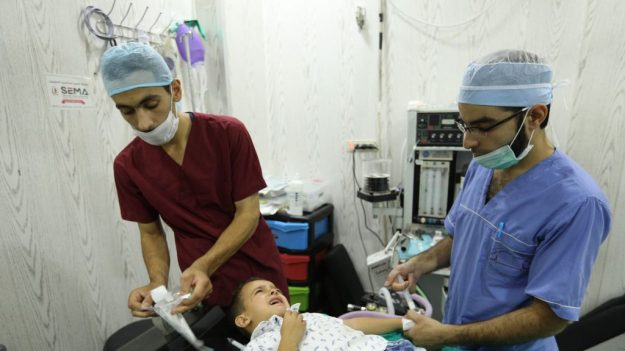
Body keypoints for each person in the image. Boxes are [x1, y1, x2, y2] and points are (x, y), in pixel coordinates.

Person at [386, 49, 611, 350]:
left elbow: (551, 317)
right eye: (465, 125)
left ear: (535, 115)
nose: (469, 141)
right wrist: (420, 263)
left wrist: (448, 335)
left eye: (482, 126)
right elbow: (466, 236)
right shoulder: (485, 165)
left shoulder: (577, 204)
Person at [99, 42, 288, 316]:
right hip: (199, 284)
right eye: (127, 111)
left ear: (175, 90)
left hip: (255, 271)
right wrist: (157, 283)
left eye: (151, 104)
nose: (144, 123)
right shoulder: (128, 166)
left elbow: (247, 214)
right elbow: (150, 232)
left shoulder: (227, 134)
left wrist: (205, 264)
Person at [230, 277, 424, 351]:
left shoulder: (309, 318)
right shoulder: (258, 346)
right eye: (259, 291)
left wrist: (403, 322)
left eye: (275, 288)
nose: (274, 291)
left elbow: (353, 325)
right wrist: (288, 339)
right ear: (243, 319)